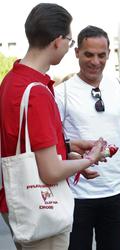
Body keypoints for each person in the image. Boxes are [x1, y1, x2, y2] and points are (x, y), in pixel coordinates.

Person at [0, 4, 108, 250]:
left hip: (18, 200)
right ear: (58, 41)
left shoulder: (11, 81)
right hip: (42, 208)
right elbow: (50, 172)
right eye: (70, 42)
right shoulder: (37, 92)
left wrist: (68, 147)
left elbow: (22, 145)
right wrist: (90, 158)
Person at [55, 25, 120, 250]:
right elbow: (55, 144)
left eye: (101, 55)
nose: (95, 61)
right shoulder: (61, 93)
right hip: (75, 197)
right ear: (77, 53)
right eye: (88, 54)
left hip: (114, 193)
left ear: (108, 54)